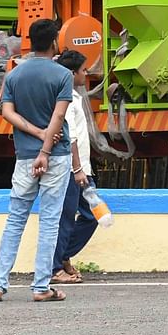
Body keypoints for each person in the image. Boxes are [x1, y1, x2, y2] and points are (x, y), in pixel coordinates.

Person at [0, 19, 74, 303]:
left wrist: (34, 134)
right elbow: (58, 117)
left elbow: (7, 112)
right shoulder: (62, 75)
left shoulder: (14, 75)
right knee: (49, 221)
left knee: (15, 220)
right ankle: (40, 287)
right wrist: (45, 148)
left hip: (23, 156)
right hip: (55, 157)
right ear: (54, 42)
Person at [50, 50, 97, 285]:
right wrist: (78, 169)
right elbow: (72, 138)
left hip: (81, 169)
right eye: (83, 70)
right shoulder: (66, 100)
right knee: (68, 217)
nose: (86, 74)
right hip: (72, 170)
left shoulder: (74, 97)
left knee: (92, 214)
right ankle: (55, 266)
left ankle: (62, 256)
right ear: (71, 73)